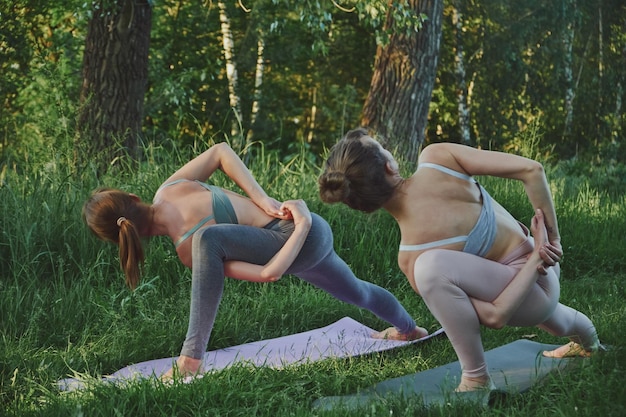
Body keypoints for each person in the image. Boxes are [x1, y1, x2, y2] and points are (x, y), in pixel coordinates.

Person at [83, 142, 428, 379]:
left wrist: (266, 202)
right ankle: (409, 329)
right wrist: (288, 214)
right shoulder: (171, 190)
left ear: (124, 239)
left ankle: (191, 357)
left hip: (292, 238)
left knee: (207, 239)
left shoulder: (190, 248)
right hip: (305, 232)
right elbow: (221, 151)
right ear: (133, 197)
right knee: (358, 292)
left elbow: (265, 273)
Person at [318, 127, 601, 392]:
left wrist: (546, 248)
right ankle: (589, 344)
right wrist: (550, 242)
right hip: (537, 277)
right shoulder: (438, 158)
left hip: (530, 288)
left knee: (430, 268)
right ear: (389, 166)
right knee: (555, 318)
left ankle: (477, 377)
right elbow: (532, 169)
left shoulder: (410, 258)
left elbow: (495, 315)